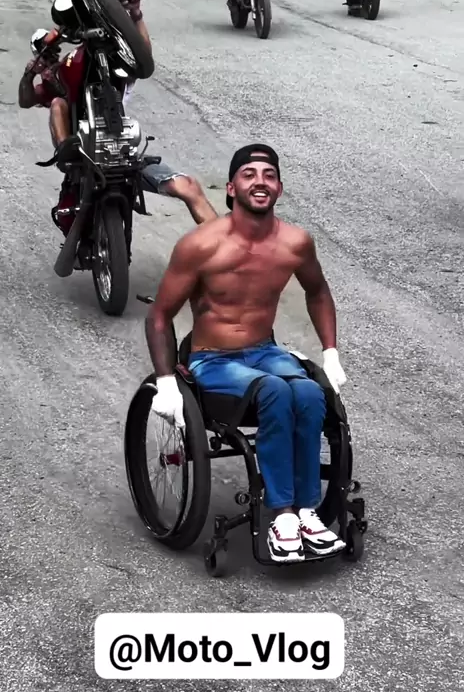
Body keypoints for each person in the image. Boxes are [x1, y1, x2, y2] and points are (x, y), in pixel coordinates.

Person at [145, 144, 348, 564]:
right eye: (249, 174)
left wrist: (330, 353)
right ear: (231, 188)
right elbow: (160, 315)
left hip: (264, 352)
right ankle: (282, 516)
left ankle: (306, 512)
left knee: (311, 393)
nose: (260, 181)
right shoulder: (201, 245)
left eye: (269, 175)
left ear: (279, 188)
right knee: (275, 390)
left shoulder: (295, 243)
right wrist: (165, 382)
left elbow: (318, 292)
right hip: (212, 359)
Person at [18, 0, 217, 234]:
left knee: (189, 186)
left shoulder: (99, 68)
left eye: (53, 52)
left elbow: (142, 56)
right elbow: (26, 100)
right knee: (58, 103)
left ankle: (226, 245)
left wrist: (135, 15)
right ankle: (68, 152)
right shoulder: (58, 83)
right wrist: (29, 74)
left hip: (122, 155)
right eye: (45, 55)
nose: (51, 59)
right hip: (83, 156)